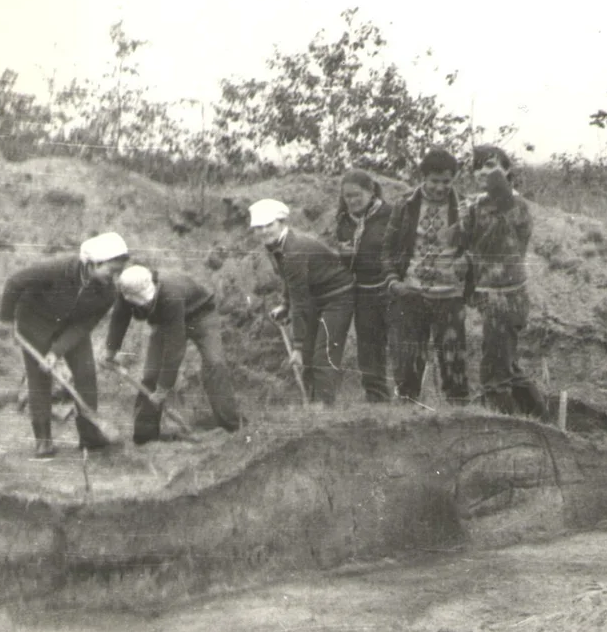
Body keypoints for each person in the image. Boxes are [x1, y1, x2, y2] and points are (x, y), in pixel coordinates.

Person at [0, 232, 130, 458]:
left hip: (72, 328)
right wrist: (6, 320)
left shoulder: (108, 293)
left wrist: (57, 351)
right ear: (94, 264)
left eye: (118, 272)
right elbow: (15, 282)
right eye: (112, 270)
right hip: (35, 323)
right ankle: (43, 440)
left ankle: (90, 436)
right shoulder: (58, 268)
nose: (115, 277)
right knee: (40, 379)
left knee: (86, 373)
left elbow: (83, 326)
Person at [104, 265, 243, 444]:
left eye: (147, 299)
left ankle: (230, 426)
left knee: (215, 363)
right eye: (141, 301)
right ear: (127, 296)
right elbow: (119, 319)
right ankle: (145, 436)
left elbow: (175, 348)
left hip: (201, 316)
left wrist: (163, 389)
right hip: (165, 321)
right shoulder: (125, 292)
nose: (146, 303)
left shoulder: (170, 293)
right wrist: (110, 351)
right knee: (151, 374)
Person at [460, 145, 548, 420]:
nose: (484, 172)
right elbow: (467, 249)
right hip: (491, 297)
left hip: (507, 298)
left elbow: (504, 202)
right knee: (507, 368)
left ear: (507, 170)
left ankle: (505, 435)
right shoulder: (476, 206)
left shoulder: (515, 205)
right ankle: (545, 423)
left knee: (494, 377)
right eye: (479, 167)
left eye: (492, 165)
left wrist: (493, 183)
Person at [382, 147, 471, 405]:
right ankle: (407, 425)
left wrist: (469, 258)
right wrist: (393, 282)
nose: (440, 188)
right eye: (434, 181)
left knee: (454, 367)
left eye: (447, 181)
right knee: (407, 367)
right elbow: (388, 248)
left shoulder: (465, 207)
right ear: (423, 178)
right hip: (411, 295)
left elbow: (478, 246)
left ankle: (459, 423)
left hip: (450, 297)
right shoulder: (405, 205)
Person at [249, 198, 355, 406]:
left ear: (281, 223)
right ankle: (314, 409)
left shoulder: (294, 249)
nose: (263, 231)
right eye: (258, 227)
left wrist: (296, 347)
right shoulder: (275, 245)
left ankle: (326, 415)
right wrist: (285, 305)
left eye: (269, 225)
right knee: (308, 356)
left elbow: (301, 302)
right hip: (316, 296)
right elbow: (292, 281)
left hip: (338, 296)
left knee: (322, 357)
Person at [334, 169, 394, 404]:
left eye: (357, 195)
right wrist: (344, 254)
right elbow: (344, 262)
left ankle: (411, 404)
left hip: (390, 290)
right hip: (363, 293)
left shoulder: (390, 215)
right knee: (369, 351)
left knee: (400, 346)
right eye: (347, 196)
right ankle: (377, 403)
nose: (352, 201)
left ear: (371, 192)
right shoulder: (344, 221)